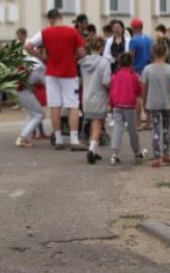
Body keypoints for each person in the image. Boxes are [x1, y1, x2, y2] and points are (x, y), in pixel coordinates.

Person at [27, 9, 86, 150]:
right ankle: (74, 140)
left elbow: (28, 45)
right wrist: (75, 57)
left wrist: (40, 56)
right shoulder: (72, 32)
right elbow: (82, 53)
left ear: (50, 20)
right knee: (73, 106)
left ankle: (59, 139)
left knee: (54, 106)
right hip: (69, 73)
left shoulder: (45, 32)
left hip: (51, 73)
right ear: (60, 17)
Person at [140, 40, 170, 168]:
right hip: (166, 102)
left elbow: (144, 87)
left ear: (152, 53)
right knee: (167, 128)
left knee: (155, 129)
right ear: (166, 53)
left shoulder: (147, 69)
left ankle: (156, 157)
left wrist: (144, 101)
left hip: (153, 103)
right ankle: (166, 153)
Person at [108, 52, 145, 166]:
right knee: (132, 130)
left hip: (117, 105)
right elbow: (138, 91)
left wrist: (111, 103)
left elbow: (111, 89)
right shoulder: (134, 75)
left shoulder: (115, 74)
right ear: (130, 62)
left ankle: (115, 154)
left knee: (117, 129)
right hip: (129, 105)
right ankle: (136, 151)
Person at [79, 36, 111, 164]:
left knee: (93, 122)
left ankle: (96, 151)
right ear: (102, 47)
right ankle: (91, 150)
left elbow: (80, 80)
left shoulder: (82, 62)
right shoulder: (104, 63)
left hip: (86, 96)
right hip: (99, 96)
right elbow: (106, 82)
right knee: (98, 123)